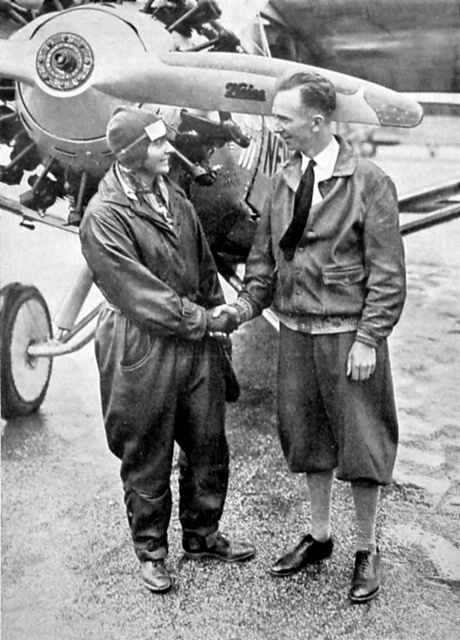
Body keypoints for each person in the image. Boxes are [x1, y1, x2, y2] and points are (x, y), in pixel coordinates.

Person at [219, 72, 406, 603]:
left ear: (318, 122)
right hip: (296, 332)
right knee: (307, 439)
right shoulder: (283, 178)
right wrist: (244, 305)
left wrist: (370, 337)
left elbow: (388, 274)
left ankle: (367, 549)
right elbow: (264, 261)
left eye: (284, 119)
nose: (276, 128)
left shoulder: (369, 181)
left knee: (363, 443)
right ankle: (320, 537)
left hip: (348, 335)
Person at [79, 106, 254, 594]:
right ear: (134, 157)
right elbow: (139, 296)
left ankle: (202, 535)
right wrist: (205, 320)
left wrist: (219, 319)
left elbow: (201, 265)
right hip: (142, 345)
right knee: (147, 451)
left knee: (207, 443)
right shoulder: (104, 217)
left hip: (195, 341)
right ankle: (152, 550)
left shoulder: (172, 195)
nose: (167, 151)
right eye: (157, 145)